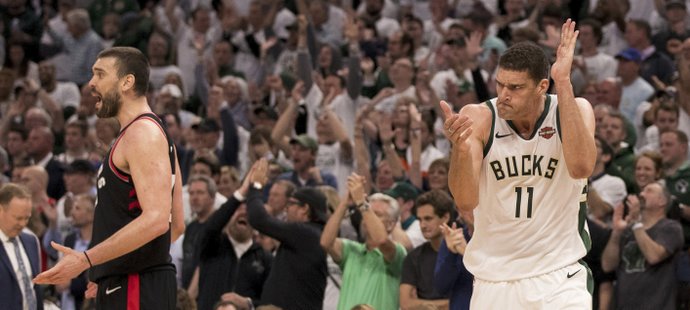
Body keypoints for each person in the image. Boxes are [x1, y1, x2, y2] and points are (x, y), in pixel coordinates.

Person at [441, 20, 596, 308]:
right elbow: (464, 200)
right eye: (500, 84)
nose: (504, 95)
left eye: (515, 87)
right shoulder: (478, 118)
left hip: (559, 274)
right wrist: (460, 150)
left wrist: (564, 81)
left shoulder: (573, 109)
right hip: (494, 279)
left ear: (542, 86)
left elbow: (581, 168)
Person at [33, 47, 185, 309]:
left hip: (137, 286)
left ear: (127, 81)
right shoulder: (149, 133)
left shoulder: (142, 134)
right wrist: (112, 263)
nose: (91, 84)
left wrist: (88, 259)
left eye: (100, 75)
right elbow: (177, 223)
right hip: (130, 280)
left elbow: (159, 220)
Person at [0, 183, 44, 310]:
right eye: (18, 218)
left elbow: (35, 288)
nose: (23, 224)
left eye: (27, 218)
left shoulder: (31, 241)